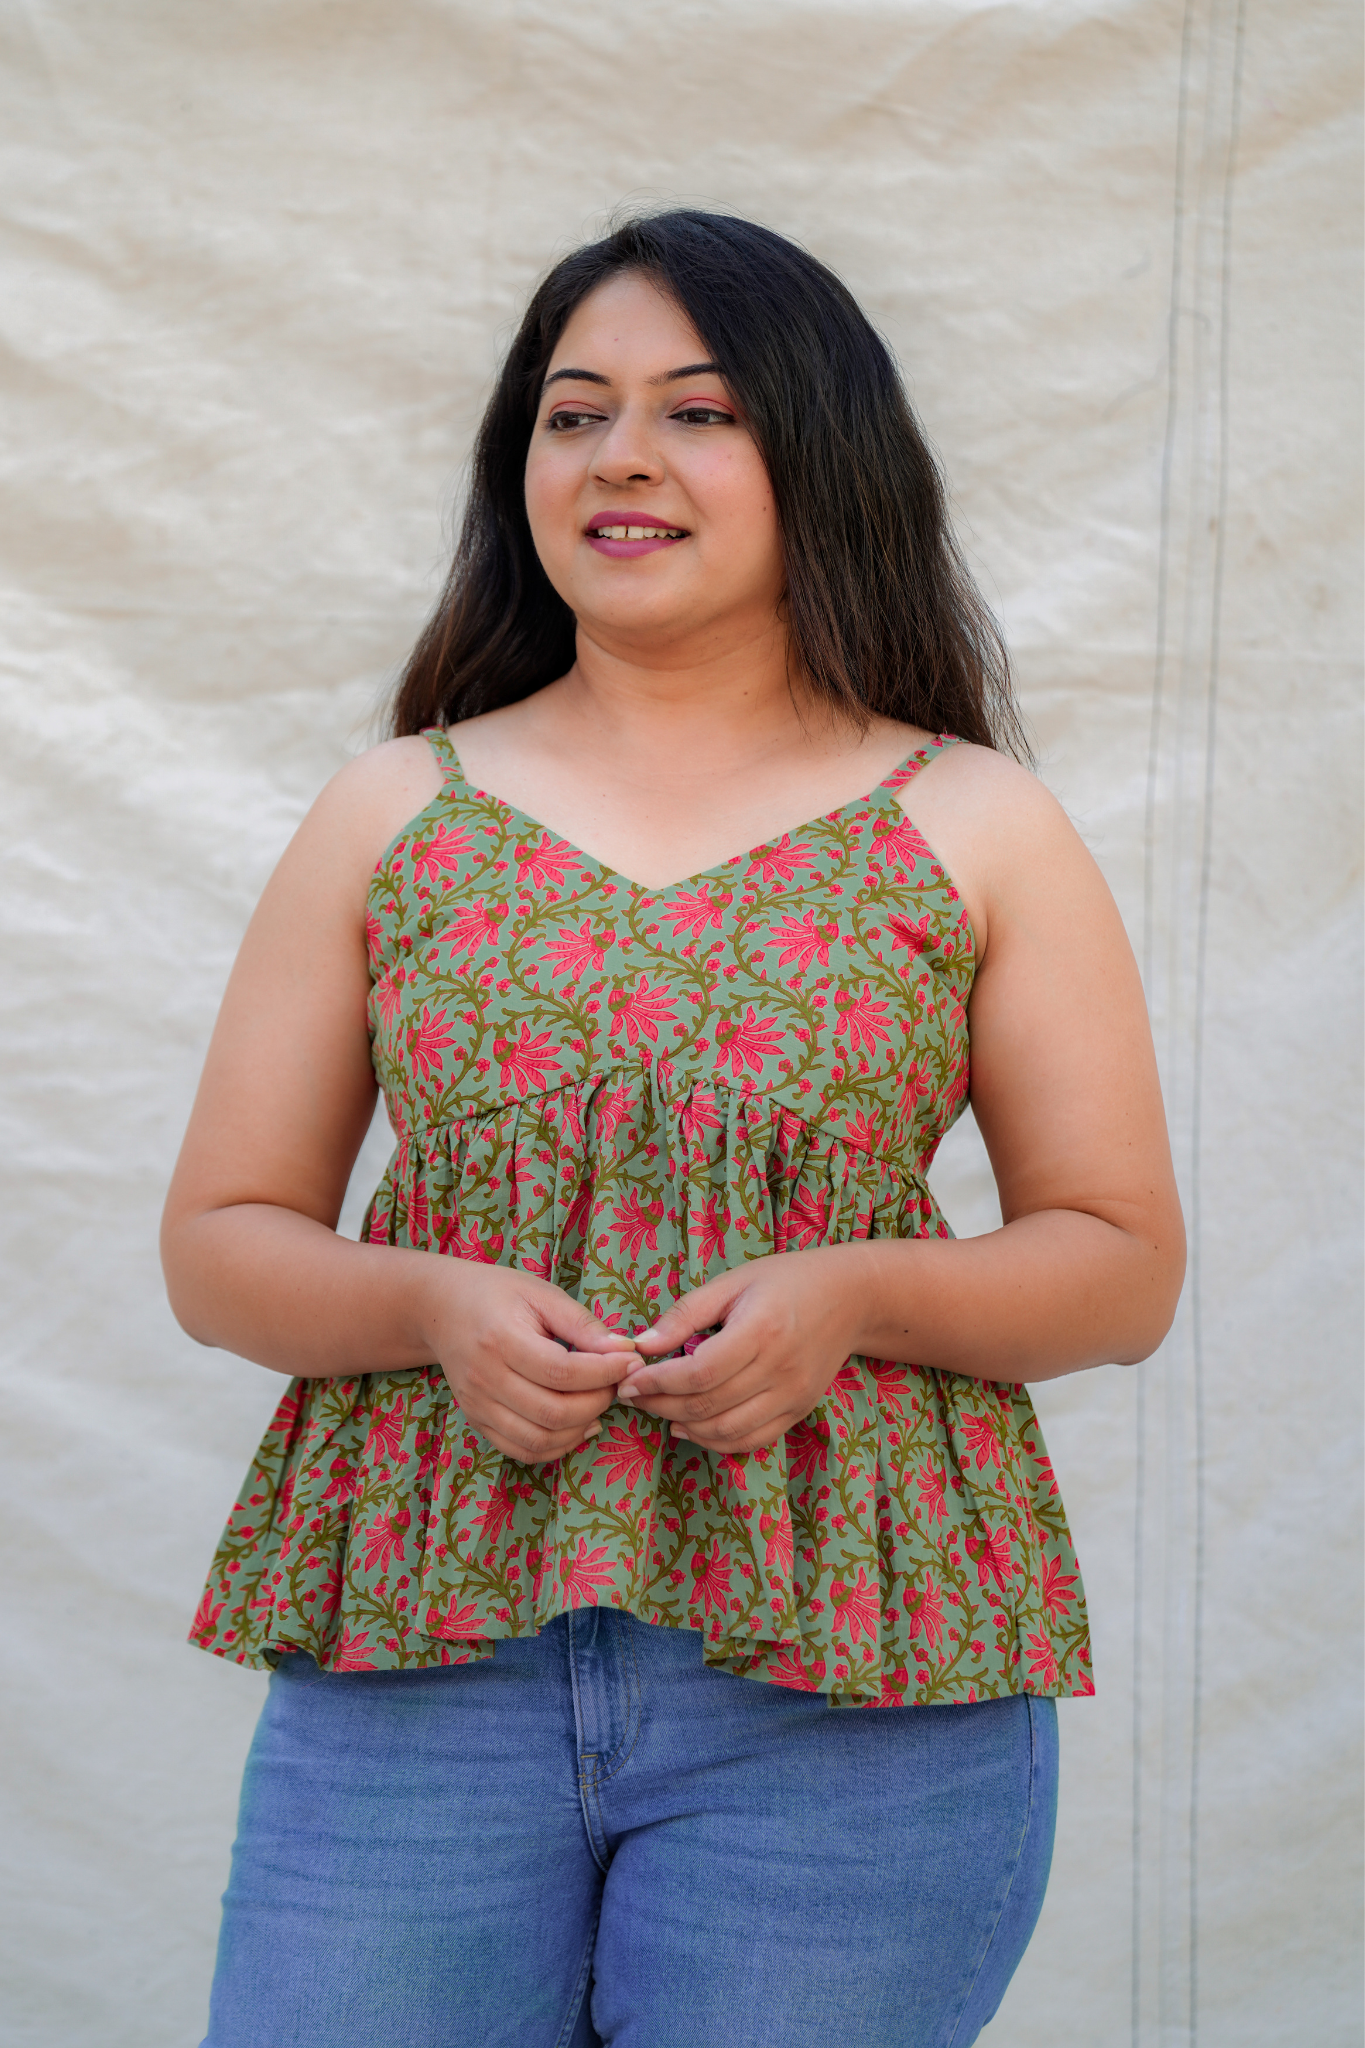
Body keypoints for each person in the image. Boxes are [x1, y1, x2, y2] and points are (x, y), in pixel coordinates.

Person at [163, 209, 1185, 2048]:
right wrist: (429, 1311)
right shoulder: (396, 810)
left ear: (821, 453)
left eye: (697, 410)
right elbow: (224, 1238)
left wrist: (856, 1293)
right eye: (574, 413)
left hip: (855, 1679)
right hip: (424, 1651)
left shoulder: (978, 822)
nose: (622, 455)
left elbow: (1117, 1266)